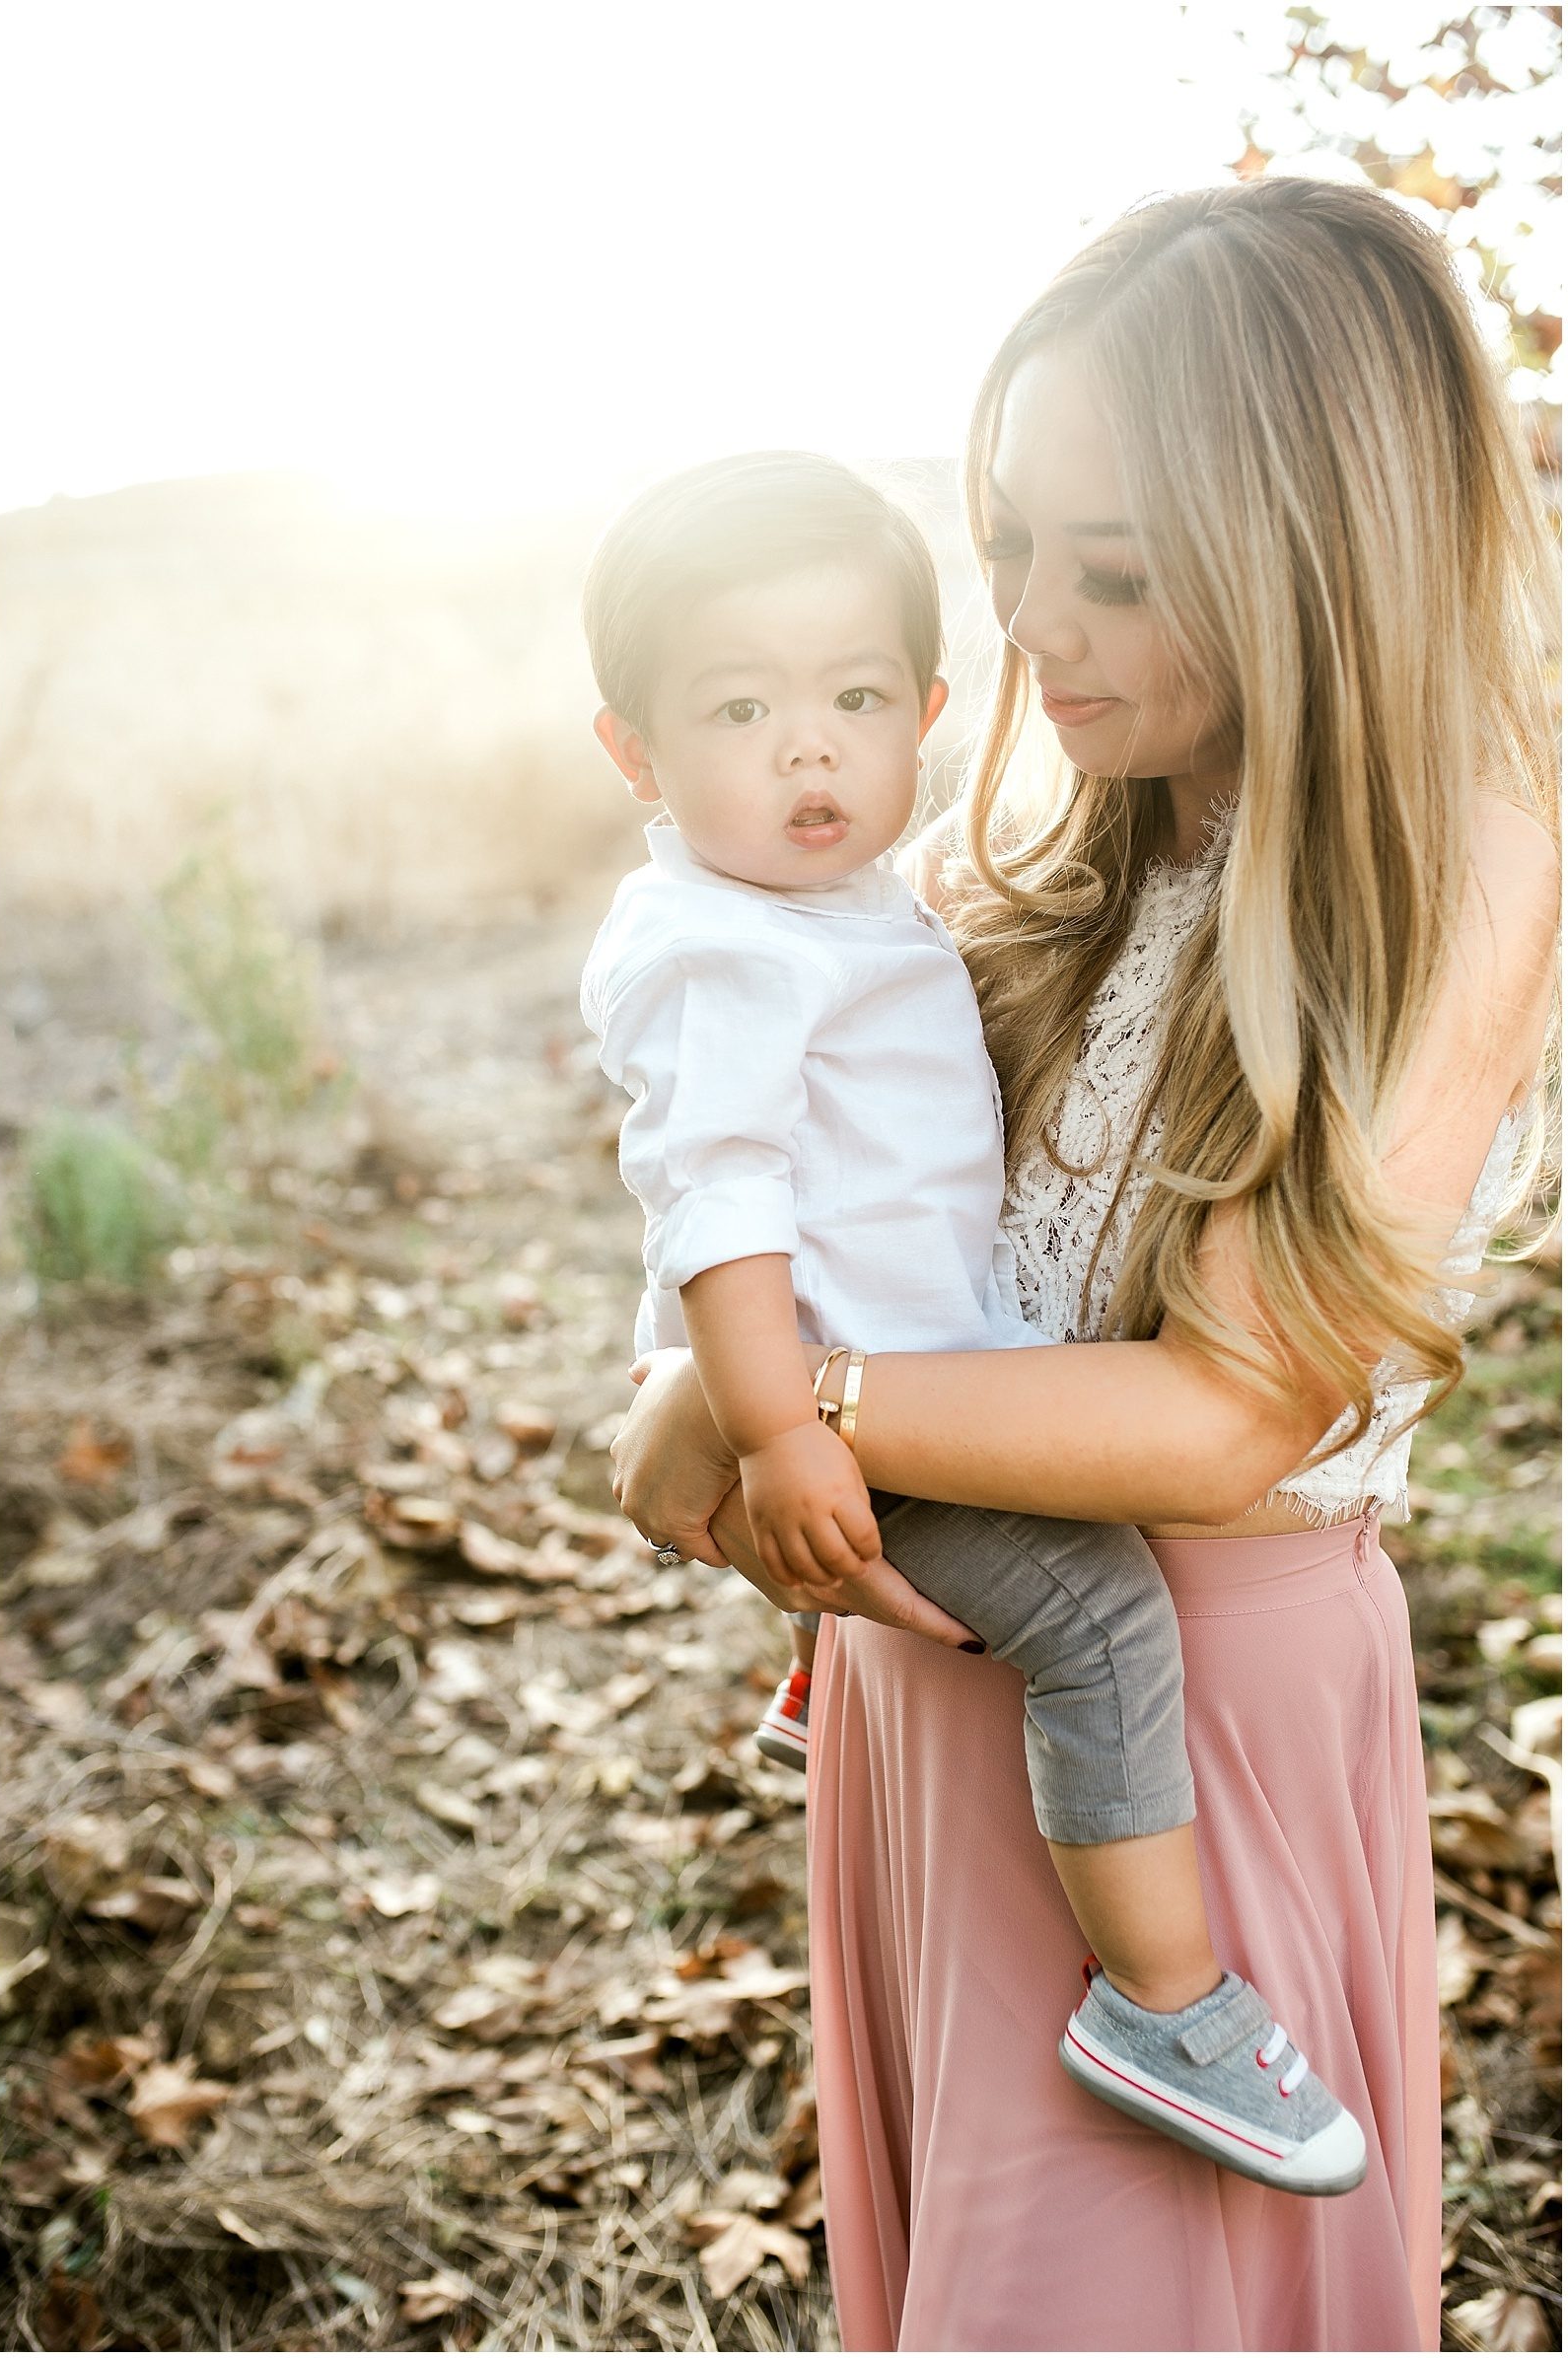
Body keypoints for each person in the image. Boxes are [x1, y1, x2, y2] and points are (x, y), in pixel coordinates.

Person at [607, 178, 1558, 2351]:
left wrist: (766, 1403)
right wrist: (725, 1377)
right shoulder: (1050, 837)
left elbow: (1222, 1416)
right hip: (937, 1698)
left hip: (1195, 1726)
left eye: (1111, 571)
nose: (1030, 624)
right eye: (1007, 538)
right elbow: (783, 1161)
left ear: (1311, 559)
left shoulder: (1459, 867)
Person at [579, 450, 1367, 2195]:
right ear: (634, 750)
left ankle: (812, 1665)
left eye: (855, 698)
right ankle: (1167, 1999)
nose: (808, 748)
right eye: (739, 708)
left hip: (899, 1377)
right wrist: (781, 1432)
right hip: (866, 1416)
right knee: (1097, 1626)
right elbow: (714, 1195)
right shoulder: (726, 950)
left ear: (927, 712)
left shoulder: (849, 904)